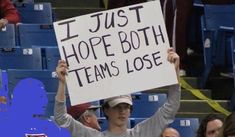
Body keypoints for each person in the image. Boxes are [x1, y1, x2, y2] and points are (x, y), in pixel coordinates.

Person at [54, 48, 181, 137]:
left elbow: (170, 109)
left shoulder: (141, 133)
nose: (122, 111)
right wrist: (62, 83)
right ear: (106, 110)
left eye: (126, 107)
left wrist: (174, 73)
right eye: (117, 107)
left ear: (130, 111)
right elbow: (61, 119)